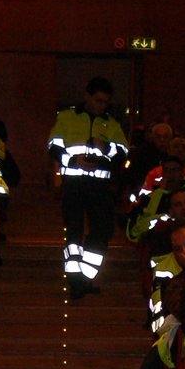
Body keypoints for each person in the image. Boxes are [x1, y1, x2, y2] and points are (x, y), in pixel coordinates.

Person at [48, 77, 129, 299]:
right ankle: (75, 281)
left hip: (100, 186)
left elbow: (122, 152)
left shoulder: (111, 124)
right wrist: (73, 161)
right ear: (87, 96)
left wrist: (107, 149)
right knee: (73, 230)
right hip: (73, 184)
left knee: (102, 231)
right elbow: (54, 146)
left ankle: (86, 277)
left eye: (105, 102)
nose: (101, 105)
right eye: (98, 100)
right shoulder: (66, 118)